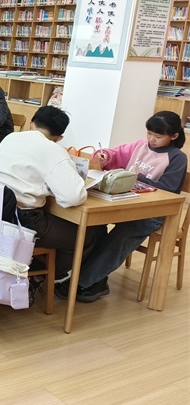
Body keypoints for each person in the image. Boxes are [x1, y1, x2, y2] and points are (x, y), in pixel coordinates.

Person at [70, 111, 188, 303]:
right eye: (149, 133)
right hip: (126, 202)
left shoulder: (177, 158)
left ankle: (82, 281)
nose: (152, 139)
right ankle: (93, 278)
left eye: (158, 136)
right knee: (93, 224)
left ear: (174, 136)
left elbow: (169, 188)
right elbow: (116, 154)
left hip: (153, 212)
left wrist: (136, 177)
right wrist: (105, 156)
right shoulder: (140, 146)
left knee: (124, 234)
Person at [0, 106, 99, 282]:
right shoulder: (54, 151)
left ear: (31, 123)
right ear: (59, 138)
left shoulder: (11, 138)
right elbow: (73, 196)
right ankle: (49, 277)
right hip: (21, 222)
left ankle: (35, 267)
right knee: (87, 236)